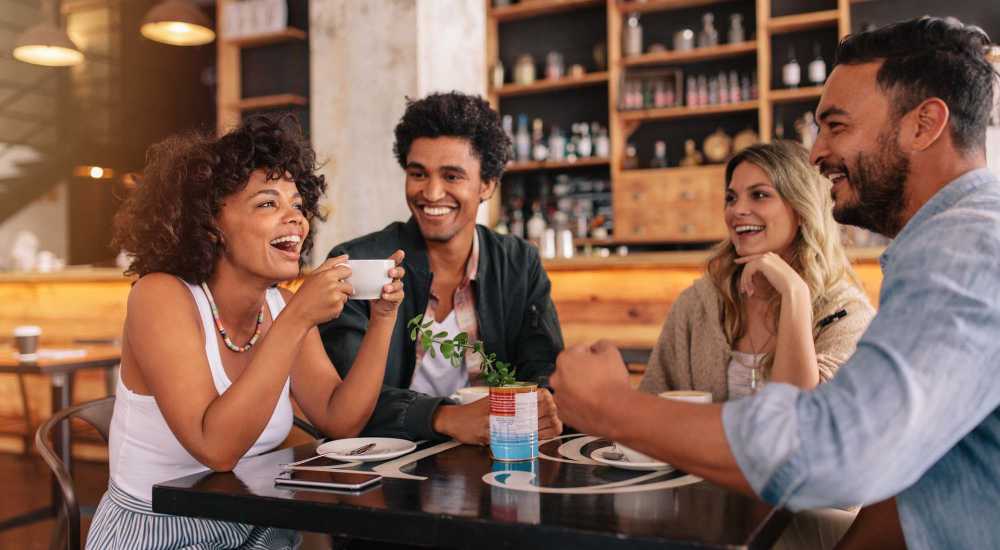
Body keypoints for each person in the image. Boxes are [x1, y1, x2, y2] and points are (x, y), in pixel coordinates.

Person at [550, 17, 1000, 550]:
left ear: (924, 125)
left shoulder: (964, 248)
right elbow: (916, 477)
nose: (815, 153)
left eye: (836, 126)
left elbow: (831, 453)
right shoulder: (951, 243)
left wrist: (610, 407)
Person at [87, 114, 405, 549]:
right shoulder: (160, 296)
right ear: (211, 223)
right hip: (162, 530)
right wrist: (298, 319)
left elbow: (340, 419)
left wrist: (383, 318)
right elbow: (215, 448)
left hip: (258, 524)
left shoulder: (281, 305)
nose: (296, 219)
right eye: (268, 204)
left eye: (298, 205)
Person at [641, 141, 874, 548]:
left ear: (801, 208)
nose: (737, 211)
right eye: (731, 198)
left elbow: (799, 431)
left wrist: (794, 294)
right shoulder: (699, 304)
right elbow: (650, 408)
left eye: (760, 195)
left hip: (808, 517)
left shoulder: (848, 316)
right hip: (709, 506)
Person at [320, 91, 564, 445]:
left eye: (452, 176)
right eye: (418, 174)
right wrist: (444, 418)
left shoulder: (519, 263)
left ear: (487, 185)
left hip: (494, 454)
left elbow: (544, 371)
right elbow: (344, 399)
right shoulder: (358, 264)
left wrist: (540, 408)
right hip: (383, 459)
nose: (432, 193)